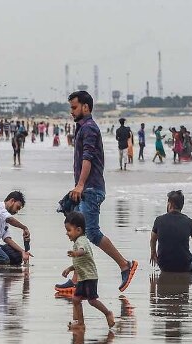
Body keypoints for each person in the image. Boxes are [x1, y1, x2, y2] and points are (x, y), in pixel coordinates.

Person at [56, 90, 138, 293]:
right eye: (71, 108)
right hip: (85, 188)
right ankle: (77, 279)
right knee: (77, 231)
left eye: (74, 107)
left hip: (91, 189)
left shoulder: (90, 129)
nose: (71, 112)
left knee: (90, 232)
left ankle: (125, 265)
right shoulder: (82, 128)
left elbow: (88, 158)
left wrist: (81, 185)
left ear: (86, 107)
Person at [61, 211, 116, 330]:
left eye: (69, 230)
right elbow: (80, 261)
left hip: (89, 277)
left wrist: (76, 253)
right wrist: (70, 269)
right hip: (83, 277)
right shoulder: (79, 241)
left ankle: (108, 313)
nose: (67, 233)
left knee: (92, 300)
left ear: (79, 230)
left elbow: (82, 251)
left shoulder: (81, 241)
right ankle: (80, 323)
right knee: (76, 299)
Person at [150, 190, 192, 273]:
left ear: (170, 204)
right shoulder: (188, 221)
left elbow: (153, 239)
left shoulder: (159, 220)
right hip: (184, 265)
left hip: (163, 265)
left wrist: (153, 253)